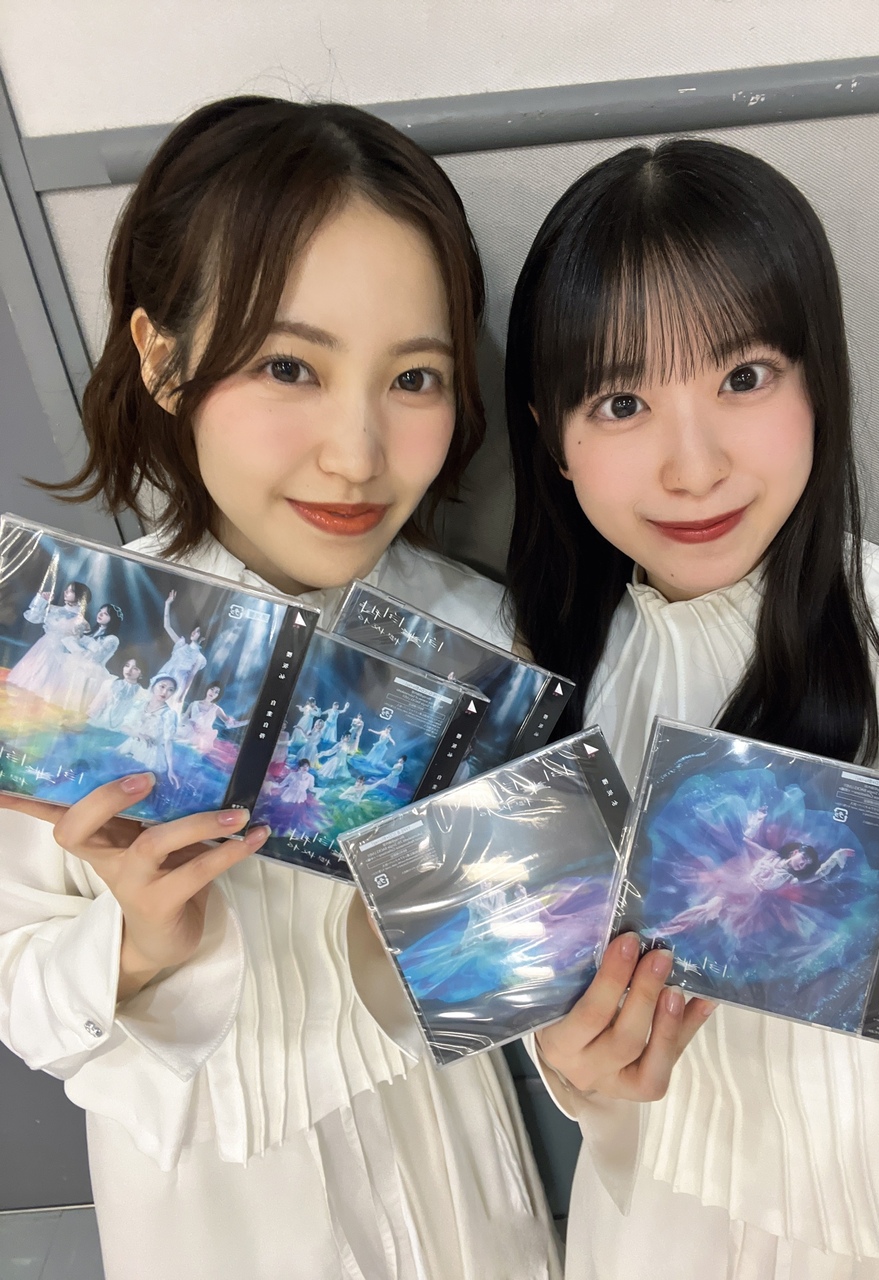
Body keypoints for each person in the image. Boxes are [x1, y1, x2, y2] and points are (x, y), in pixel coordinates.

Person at [0, 95, 672, 1280]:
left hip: (454, 1186)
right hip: (213, 1214)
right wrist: (137, 943)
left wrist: (560, 1002)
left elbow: (533, 981)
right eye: (287, 365)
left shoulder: (484, 642)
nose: (356, 453)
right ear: (162, 356)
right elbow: (24, 992)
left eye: (414, 376)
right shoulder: (64, 656)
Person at [505, 137, 879, 1278]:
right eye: (621, 401)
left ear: (816, 381)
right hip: (657, 1235)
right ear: (551, 438)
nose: (692, 465)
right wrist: (577, 1069)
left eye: (743, 377)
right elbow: (554, 1040)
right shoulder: (545, 685)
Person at [5, 577, 92, 705]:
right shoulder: (54, 610)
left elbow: (77, 642)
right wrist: (41, 601)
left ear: (80, 596)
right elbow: (33, 617)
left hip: (61, 653)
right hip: (43, 647)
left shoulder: (82, 622)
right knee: (32, 678)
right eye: (66, 590)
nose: (66, 592)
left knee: (49, 687)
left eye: (71, 591)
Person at [155, 590, 206, 710]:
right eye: (195, 630)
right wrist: (167, 604)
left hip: (177, 684)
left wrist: (182, 695)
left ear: (203, 637)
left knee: (165, 711)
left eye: (198, 631)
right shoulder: (181, 644)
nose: (194, 632)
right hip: (164, 675)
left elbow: (191, 677)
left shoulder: (199, 658)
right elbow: (167, 626)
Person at [86, 656, 148, 732]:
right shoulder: (109, 683)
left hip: (121, 731)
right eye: (127, 665)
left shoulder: (142, 694)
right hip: (98, 726)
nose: (129, 670)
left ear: (141, 673)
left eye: (135, 668)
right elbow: (95, 707)